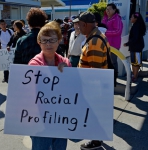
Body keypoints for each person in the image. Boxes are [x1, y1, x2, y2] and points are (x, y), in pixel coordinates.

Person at [58, 11, 109, 150]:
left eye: (79, 24)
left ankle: (96, 141)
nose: (78, 27)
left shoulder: (94, 41)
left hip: (93, 88)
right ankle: (97, 138)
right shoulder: (95, 36)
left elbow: (95, 73)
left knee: (94, 114)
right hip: (94, 86)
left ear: (85, 24)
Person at [28, 21, 71, 150]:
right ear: (39, 42)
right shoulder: (34, 65)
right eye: (44, 40)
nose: (48, 44)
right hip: (40, 120)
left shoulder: (66, 62)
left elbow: (73, 91)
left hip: (61, 118)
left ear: (59, 41)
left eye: (52, 40)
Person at [124, 12, 146, 82]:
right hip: (136, 47)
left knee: (135, 63)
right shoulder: (137, 25)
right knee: (134, 62)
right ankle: (134, 75)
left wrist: (127, 44)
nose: (130, 18)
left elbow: (135, 38)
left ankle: (135, 76)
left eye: (132, 17)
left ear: (136, 19)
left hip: (136, 47)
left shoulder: (136, 26)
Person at [102, 3, 123, 71]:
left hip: (114, 44)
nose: (107, 11)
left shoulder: (117, 19)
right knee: (105, 62)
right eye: (107, 9)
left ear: (114, 10)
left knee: (113, 62)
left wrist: (105, 32)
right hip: (105, 43)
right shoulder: (105, 18)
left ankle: (114, 78)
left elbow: (118, 31)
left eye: (109, 9)